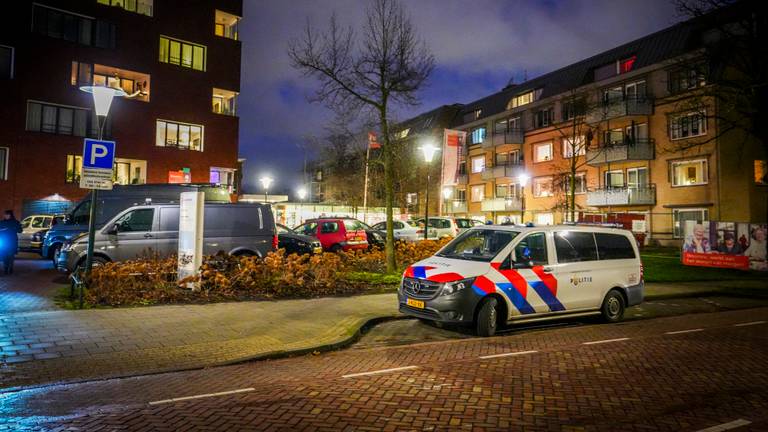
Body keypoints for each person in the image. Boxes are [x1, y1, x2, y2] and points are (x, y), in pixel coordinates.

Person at [0, 210, 23, 275]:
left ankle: (10, 268)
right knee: (4, 255)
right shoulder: (2, 222)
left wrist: (12, 228)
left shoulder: (15, 222)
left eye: (7, 214)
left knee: (10, 255)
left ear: (10, 215)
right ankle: (5, 268)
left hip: (12, 241)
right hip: (3, 240)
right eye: (5, 214)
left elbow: (20, 230)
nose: (5, 216)